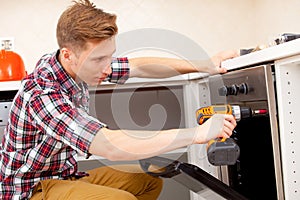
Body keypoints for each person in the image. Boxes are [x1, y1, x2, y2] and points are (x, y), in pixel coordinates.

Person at [0, 0, 237, 199]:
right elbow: (110, 145)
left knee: (148, 180)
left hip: (61, 175)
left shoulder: (75, 63)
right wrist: (198, 134)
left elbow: (139, 67)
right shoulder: (43, 94)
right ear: (68, 55)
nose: (107, 67)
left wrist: (203, 64)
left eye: (109, 56)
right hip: (30, 190)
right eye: (99, 60)